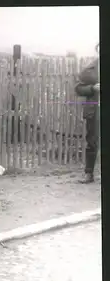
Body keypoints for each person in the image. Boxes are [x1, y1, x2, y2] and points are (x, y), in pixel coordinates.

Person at [75, 43, 100, 183]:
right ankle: (89, 174)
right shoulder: (89, 70)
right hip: (95, 110)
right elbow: (78, 88)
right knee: (92, 141)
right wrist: (92, 88)